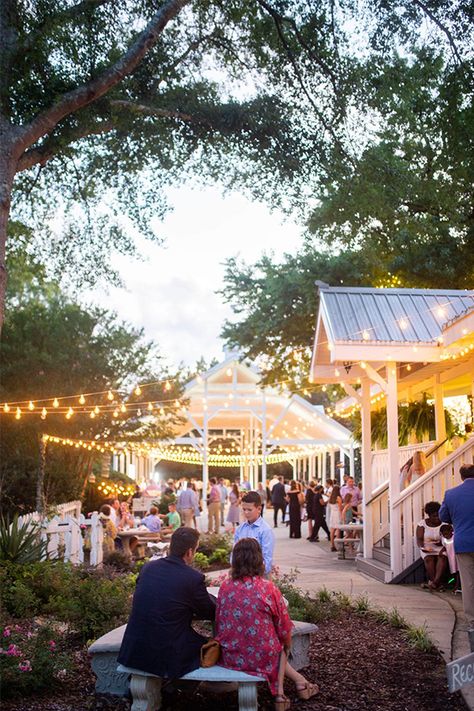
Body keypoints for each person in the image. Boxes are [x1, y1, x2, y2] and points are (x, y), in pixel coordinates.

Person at [216, 538, 319, 710]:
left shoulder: (225, 586)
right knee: (279, 647)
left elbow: (219, 620)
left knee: (272, 646)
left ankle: (300, 682)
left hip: (231, 655)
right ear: (258, 559)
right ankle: (280, 695)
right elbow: (284, 626)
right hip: (262, 656)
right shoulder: (267, 588)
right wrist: (286, 644)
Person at [118, 527, 216, 678]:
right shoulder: (192, 578)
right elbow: (210, 611)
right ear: (190, 552)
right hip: (165, 653)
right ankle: (179, 687)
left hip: (135, 648)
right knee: (210, 647)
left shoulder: (148, 568)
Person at [440, 463, 474, 627]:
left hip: (463, 542)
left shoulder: (451, 494)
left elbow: (443, 516)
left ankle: (472, 621)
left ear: (461, 477)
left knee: (468, 584)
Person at [233, 491, 275, 576]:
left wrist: (256, 577)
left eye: (249, 510)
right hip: (240, 575)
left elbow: (267, 558)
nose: (246, 512)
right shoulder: (240, 529)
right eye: (244, 509)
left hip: (259, 576)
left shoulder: (265, 530)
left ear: (259, 509)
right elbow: (233, 553)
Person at [416, 501, 447, 590]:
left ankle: (434, 583)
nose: (437, 518)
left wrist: (443, 546)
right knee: (429, 559)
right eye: (434, 516)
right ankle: (436, 583)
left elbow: (449, 539)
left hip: (441, 548)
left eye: (438, 515)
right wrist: (422, 547)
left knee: (442, 558)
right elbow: (419, 539)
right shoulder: (422, 524)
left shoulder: (444, 524)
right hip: (427, 548)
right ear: (429, 515)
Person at [327, 484, 343, 551]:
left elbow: (330, 506)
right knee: (338, 529)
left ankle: (332, 545)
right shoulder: (338, 498)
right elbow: (340, 508)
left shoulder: (330, 498)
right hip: (337, 514)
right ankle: (338, 545)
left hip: (332, 514)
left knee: (332, 530)